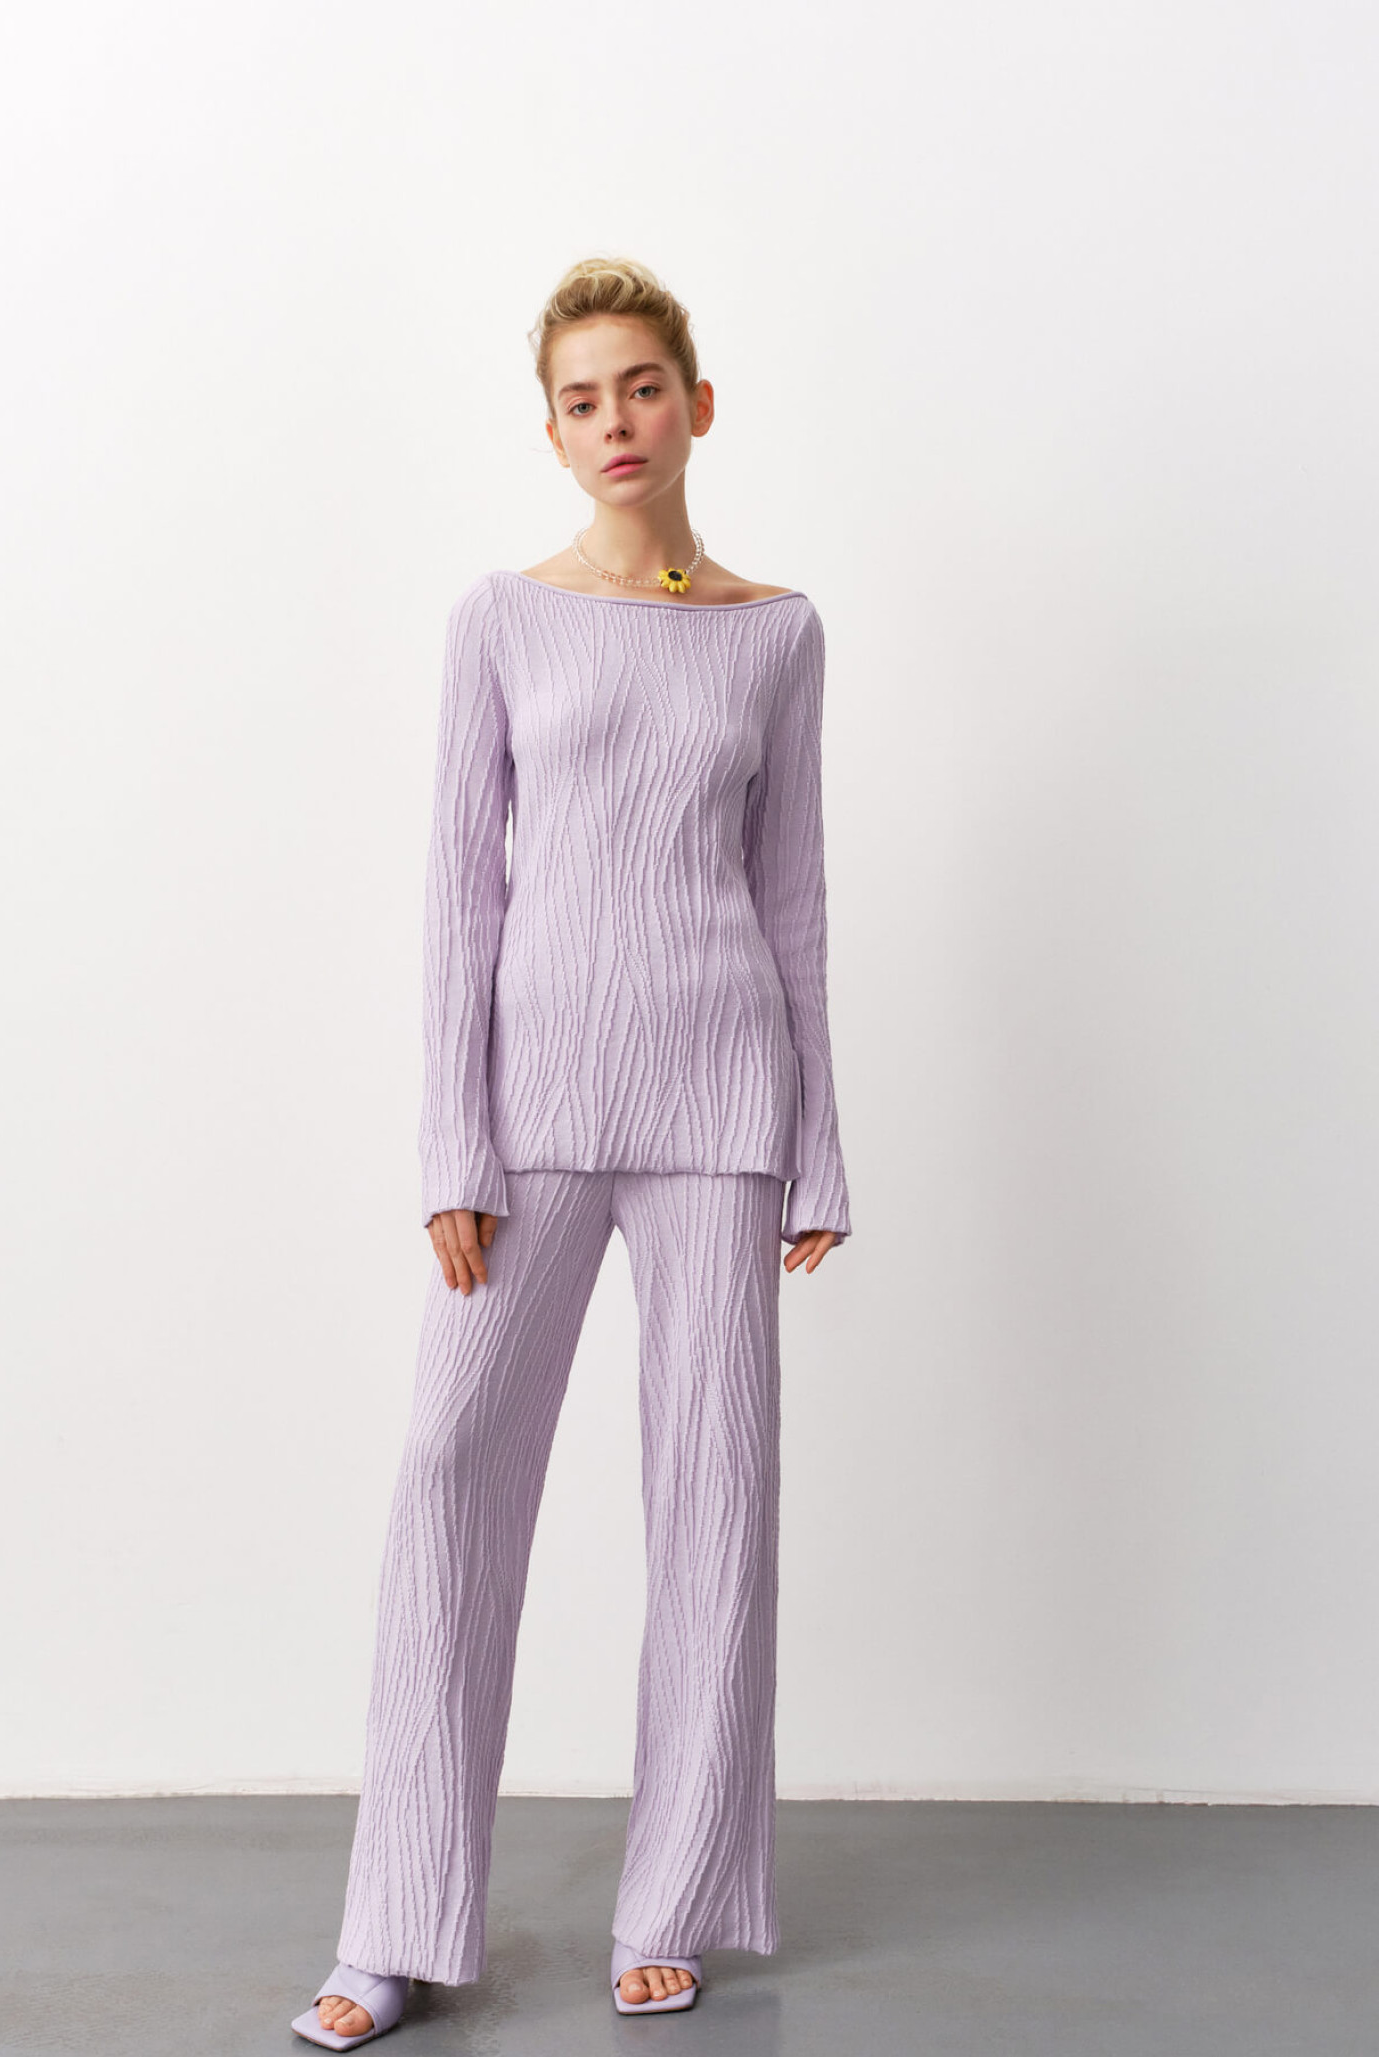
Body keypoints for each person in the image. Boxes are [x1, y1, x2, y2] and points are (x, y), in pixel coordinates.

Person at [292, 254, 852, 2049]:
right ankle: (395, 1921)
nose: (617, 422)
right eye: (582, 399)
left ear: (700, 403)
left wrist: (819, 1146)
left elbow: (793, 896)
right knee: (451, 1465)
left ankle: (671, 1901)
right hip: (531, 1114)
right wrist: (452, 1143)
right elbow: (460, 896)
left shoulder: (778, 633)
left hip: (722, 1108)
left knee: (716, 1501)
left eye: (643, 386)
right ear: (550, 431)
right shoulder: (500, 621)